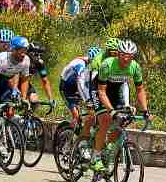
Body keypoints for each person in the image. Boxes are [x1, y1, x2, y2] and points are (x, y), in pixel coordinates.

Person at [92, 39, 150, 174]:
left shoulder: (135, 67)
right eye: (123, 55)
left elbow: (140, 90)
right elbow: (101, 91)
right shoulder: (107, 65)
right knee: (106, 120)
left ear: (133, 57)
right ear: (118, 54)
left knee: (122, 121)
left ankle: (106, 148)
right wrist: (112, 111)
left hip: (116, 91)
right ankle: (96, 157)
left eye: (129, 56)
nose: (126, 59)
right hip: (98, 90)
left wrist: (145, 111)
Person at [59, 46, 99, 127]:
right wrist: (86, 99)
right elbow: (80, 81)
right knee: (76, 116)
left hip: (75, 87)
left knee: (91, 110)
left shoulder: (87, 61)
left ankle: (83, 127)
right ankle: (70, 132)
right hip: (66, 89)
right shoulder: (80, 64)